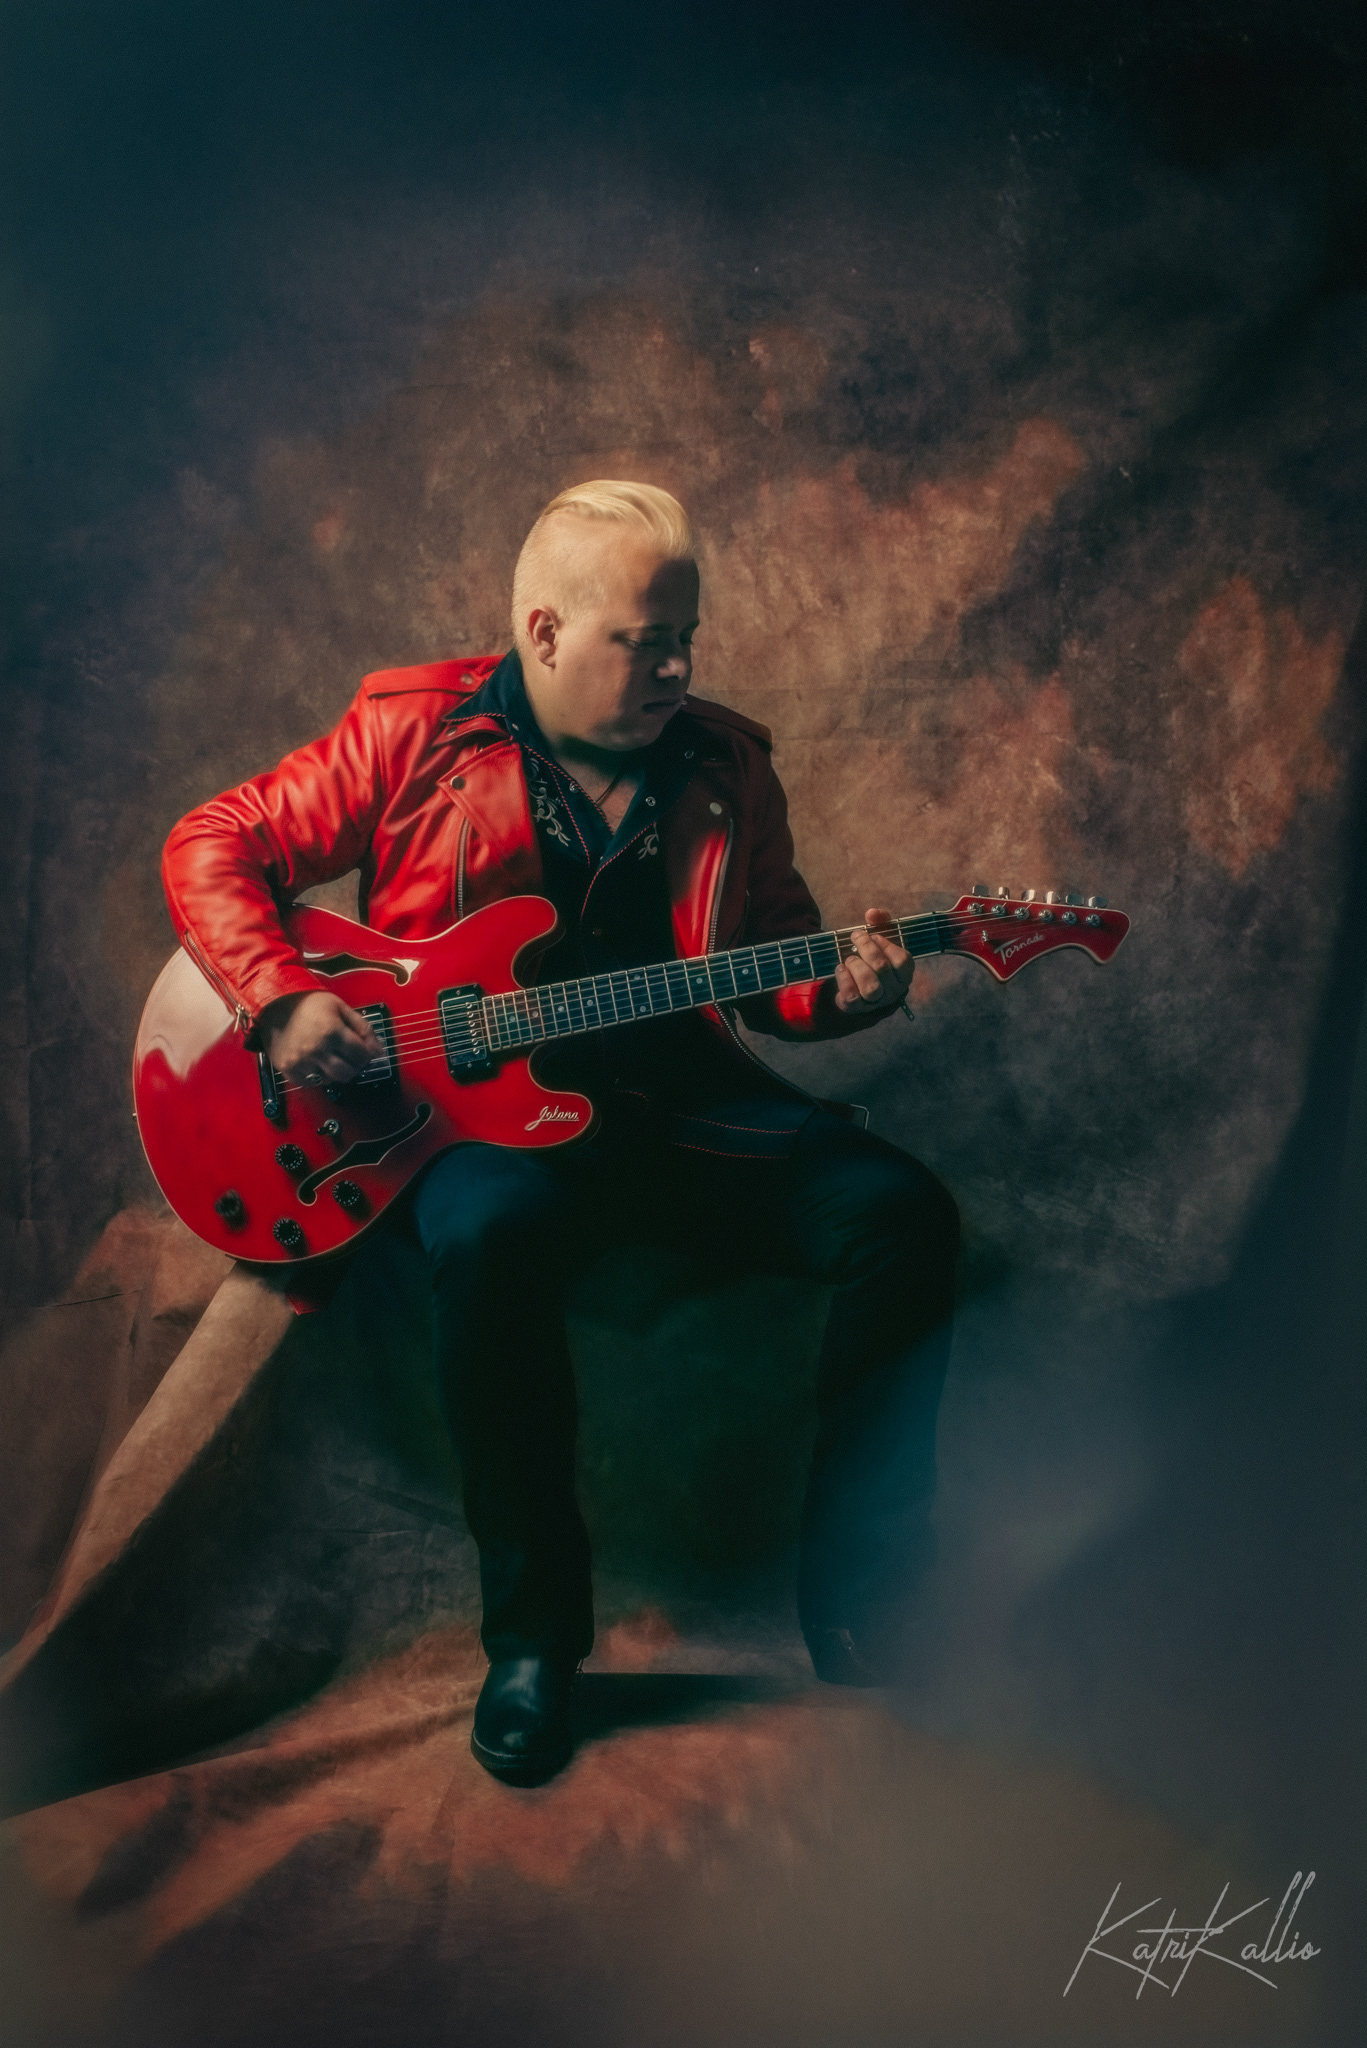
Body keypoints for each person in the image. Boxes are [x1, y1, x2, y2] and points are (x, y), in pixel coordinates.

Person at [162, 481, 959, 1784]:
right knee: (491, 1237)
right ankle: (533, 1644)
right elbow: (214, 843)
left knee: (902, 1213)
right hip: (473, 1124)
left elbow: (771, 963)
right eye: (645, 642)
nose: (679, 668)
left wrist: (848, 989)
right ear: (543, 632)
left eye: (685, 638)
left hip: (675, 1108)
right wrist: (283, 995)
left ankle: (868, 1601)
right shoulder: (412, 732)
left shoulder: (724, 765)